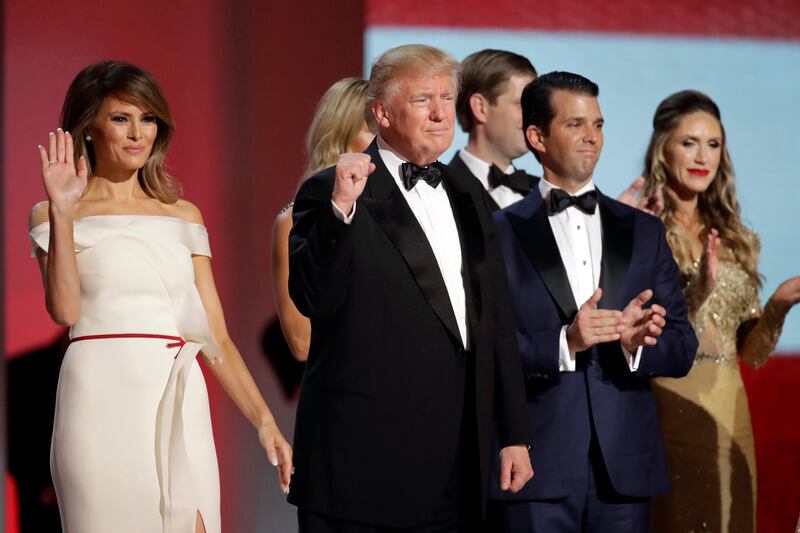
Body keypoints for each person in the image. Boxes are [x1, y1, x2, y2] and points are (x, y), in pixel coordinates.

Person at [28, 60, 292, 533]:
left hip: (177, 394)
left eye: (148, 119)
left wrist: (264, 422)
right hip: (97, 401)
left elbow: (216, 338)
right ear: (89, 127)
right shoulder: (53, 212)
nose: (138, 133)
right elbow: (65, 311)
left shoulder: (184, 215)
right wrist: (64, 213)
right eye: (121, 118)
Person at [287, 44, 533, 532]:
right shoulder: (331, 189)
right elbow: (314, 297)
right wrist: (341, 210)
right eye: (423, 100)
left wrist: (515, 435)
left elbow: (496, 321)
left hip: (457, 465)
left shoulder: (468, 196)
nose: (442, 113)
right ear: (382, 112)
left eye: (447, 97)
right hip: (361, 468)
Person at [489, 71, 698, 532]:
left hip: (624, 471)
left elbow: (683, 346)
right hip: (535, 467)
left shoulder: (643, 231)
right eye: (576, 125)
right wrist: (566, 341)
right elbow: (486, 349)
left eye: (598, 125)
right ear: (537, 137)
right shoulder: (497, 232)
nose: (592, 138)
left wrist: (634, 344)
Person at [641, 90, 800, 533]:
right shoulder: (642, 227)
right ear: (662, 149)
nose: (702, 156)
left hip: (731, 413)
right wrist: (696, 292)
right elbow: (641, 334)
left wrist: (779, 305)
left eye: (713, 145)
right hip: (668, 408)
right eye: (689, 142)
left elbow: (749, 351)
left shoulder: (735, 237)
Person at [451, 49, 662, 215]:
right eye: (523, 104)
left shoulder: (550, 194)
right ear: (480, 107)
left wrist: (613, 223)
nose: (535, 117)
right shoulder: (441, 190)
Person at [271, 77, 375, 362]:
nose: (384, 144)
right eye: (372, 131)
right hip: (346, 387)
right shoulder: (292, 221)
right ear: (340, 138)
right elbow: (302, 342)